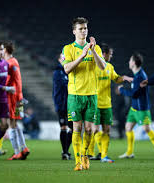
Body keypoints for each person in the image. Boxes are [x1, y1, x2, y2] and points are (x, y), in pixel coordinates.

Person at [61, 17, 106, 171]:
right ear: (74, 31)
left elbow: (103, 66)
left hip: (91, 95)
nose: (83, 31)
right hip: (75, 95)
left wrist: (92, 50)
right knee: (76, 129)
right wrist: (82, 55)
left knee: (88, 129)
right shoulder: (68, 48)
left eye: (85, 28)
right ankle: (78, 161)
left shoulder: (96, 48)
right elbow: (67, 69)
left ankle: (85, 155)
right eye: (80, 29)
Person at [88, 43, 133, 162]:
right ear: (104, 54)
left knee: (106, 130)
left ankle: (103, 155)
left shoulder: (110, 67)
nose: (111, 56)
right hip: (95, 103)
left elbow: (116, 79)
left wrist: (124, 78)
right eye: (110, 54)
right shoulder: (92, 66)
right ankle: (92, 153)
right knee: (95, 130)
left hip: (107, 104)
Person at [118, 52, 154, 159]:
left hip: (142, 109)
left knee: (147, 129)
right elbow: (136, 85)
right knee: (128, 127)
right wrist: (128, 78)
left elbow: (134, 94)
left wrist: (121, 90)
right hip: (134, 109)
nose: (129, 62)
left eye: (130, 60)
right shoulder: (137, 75)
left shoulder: (140, 76)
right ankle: (129, 152)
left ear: (133, 63)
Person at [3, 41, 30, 160]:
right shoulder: (14, 62)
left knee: (11, 124)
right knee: (15, 123)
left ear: (5, 50)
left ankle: (17, 152)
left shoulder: (10, 63)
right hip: (18, 97)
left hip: (12, 98)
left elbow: (12, 81)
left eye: (1, 50)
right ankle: (24, 148)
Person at [53, 53, 73, 160]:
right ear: (59, 59)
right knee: (64, 127)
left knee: (73, 128)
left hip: (71, 104)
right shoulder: (58, 72)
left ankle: (66, 150)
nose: (65, 59)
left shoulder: (70, 71)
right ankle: (65, 152)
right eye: (63, 57)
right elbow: (62, 86)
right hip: (61, 104)